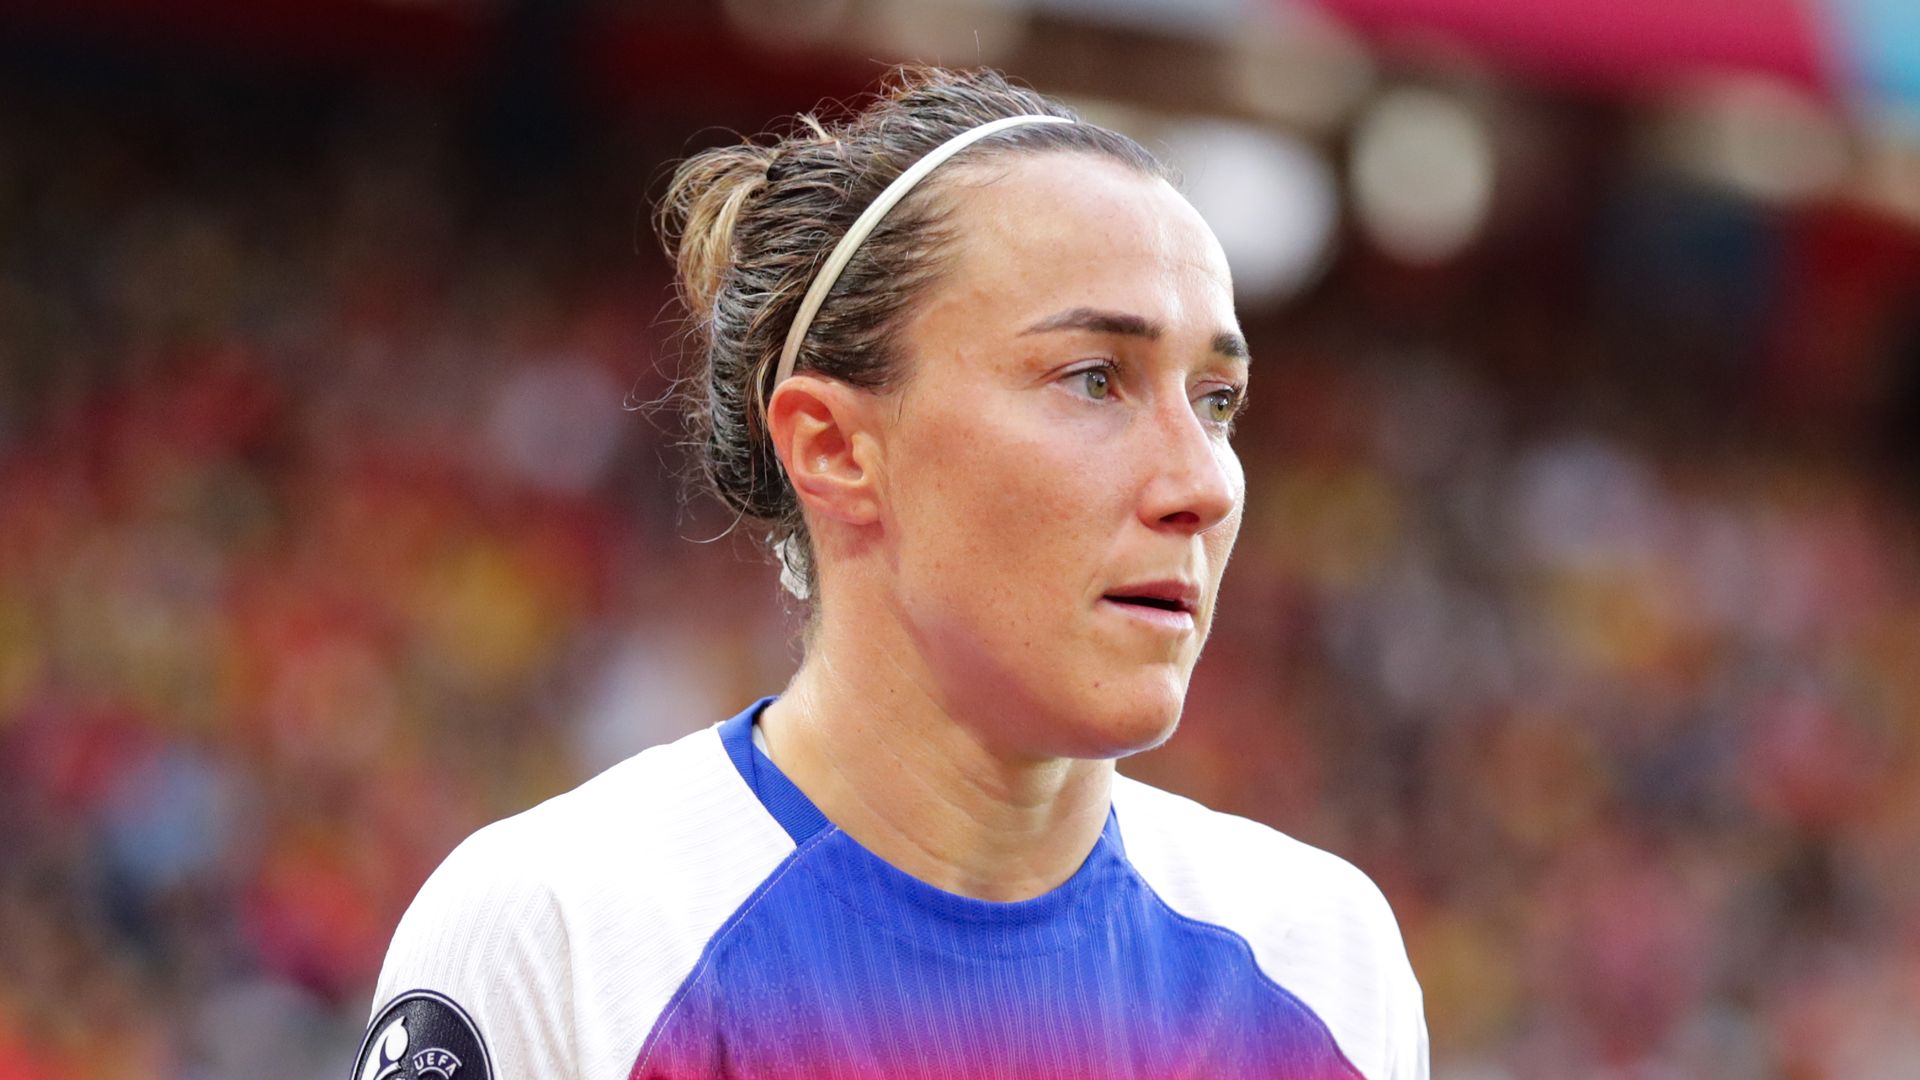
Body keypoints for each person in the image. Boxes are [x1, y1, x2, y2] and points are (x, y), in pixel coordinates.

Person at [354, 66, 1427, 1080]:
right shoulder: (566, 933)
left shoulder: (1325, 961)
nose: (1205, 483)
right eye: (1094, 378)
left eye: (1218, 401)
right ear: (832, 446)